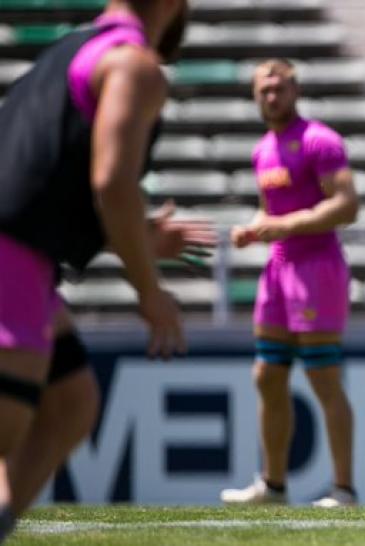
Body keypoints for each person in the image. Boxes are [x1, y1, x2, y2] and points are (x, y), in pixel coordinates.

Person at [0, 0, 190, 541]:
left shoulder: (69, 48)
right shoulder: (134, 65)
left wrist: (141, 236)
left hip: (22, 257)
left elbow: (50, 177)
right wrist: (150, 291)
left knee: (71, 401)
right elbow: (111, 182)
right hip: (12, 258)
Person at [221, 59, 359, 508]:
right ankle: (273, 485)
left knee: (323, 376)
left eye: (279, 88)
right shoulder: (263, 149)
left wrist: (283, 225)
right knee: (267, 373)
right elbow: (270, 211)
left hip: (316, 268)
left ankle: (343, 489)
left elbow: (346, 205)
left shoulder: (319, 140)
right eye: (264, 90)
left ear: (295, 91)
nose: (271, 96)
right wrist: (252, 228)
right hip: (277, 270)